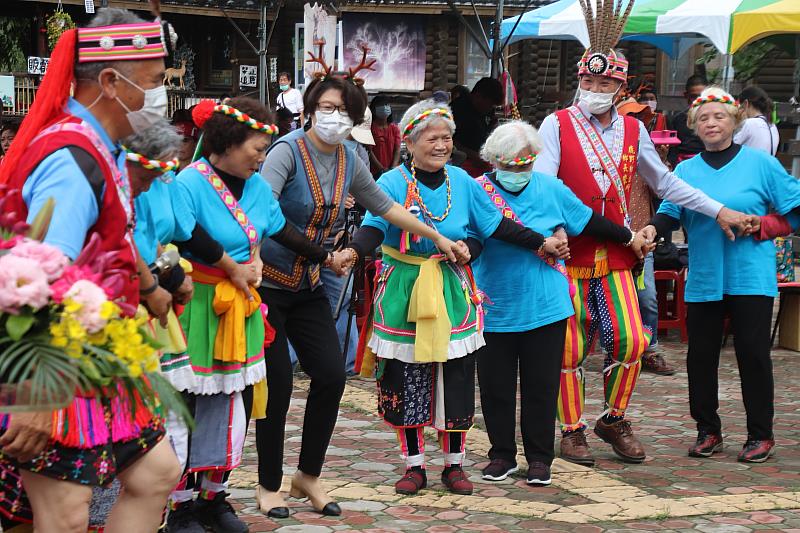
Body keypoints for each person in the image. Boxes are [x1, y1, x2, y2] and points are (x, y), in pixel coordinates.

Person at [534, 3, 752, 467]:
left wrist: (718, 210)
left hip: (617, 251)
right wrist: (552, 232)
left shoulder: (633, 128)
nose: (594, 90)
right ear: (579, 80)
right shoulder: (557, 123)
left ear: (620, 87)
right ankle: (571, 431)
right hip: (567, 252)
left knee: (633, 339)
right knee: (569, 346)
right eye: (588, 82)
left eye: (605, 83)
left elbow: (667, 183)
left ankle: (613, 419)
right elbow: (544, 184)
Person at [256, 59, 466, 519]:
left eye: (343, 111)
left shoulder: (351, 157)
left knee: (331, 375)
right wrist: (321, 254)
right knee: (276, 385)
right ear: (310, 108)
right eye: (327, 107)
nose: (334, 117)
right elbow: (264, 213)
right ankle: (268, 483)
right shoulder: (286, 152)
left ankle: (307, 475)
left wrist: (435, 236)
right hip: (267, 284)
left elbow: (387, 208)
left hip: (310, 285)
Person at [0, 8, 182, 532]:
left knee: (156, 474)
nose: (158, 97)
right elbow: (34, 276)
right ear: (110, 81)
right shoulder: (70, 158)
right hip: (51, 360)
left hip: (93, 350)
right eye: (152, 83)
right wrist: (37, 399)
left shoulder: (101, 149)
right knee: (65, 514)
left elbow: (106, 247)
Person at [344, 101, 557, 497]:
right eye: (432, 138)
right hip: (404, 290)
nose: (441, 145)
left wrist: (533, 243)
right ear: (409, 141)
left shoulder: (463, 181)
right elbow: (374, 227)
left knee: (456, 378)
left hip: (451, 287)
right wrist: (353, 253)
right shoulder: (390, 183)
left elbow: (490, 227)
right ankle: (414, 465)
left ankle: (454, 465)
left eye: (446, 137)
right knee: (407, 378)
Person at [164, 96, 346, 533]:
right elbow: (192, 234)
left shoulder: (257, 186)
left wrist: (300, 256)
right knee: (192, 402)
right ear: (227, 141)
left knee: (232, 405)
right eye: (257, 149)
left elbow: (269, 226)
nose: (262, 157)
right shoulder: (190, 182)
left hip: (241, 306)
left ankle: (214, 497)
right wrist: (235, 267)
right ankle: (181, 505)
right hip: (201, 305)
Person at [474, 121, 651, 486]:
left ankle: (540, 458)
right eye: (509, 166)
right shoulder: (478, 191)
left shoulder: (551, 188)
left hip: (547, 306)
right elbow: (475, 233)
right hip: (494, 305)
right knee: (495, 388)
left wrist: (629, 237)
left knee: (541, 386)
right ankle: (501, 455)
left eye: (524, 165)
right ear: (493, 161)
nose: (517, 173)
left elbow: (589, 221)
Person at [644, 86, 800, 463]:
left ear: (735, 121)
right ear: (694, 126)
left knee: (753, 355)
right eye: (704, 118)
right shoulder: (685, 170)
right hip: (704, 277)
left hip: (750, 276)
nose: (712, 123)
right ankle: (707, 430)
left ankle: (760, 435)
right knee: (700, 357)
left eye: (720, 116)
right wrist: (652, 228)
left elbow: (794, 213)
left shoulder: (761, 164)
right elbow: (670, 211)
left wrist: (760, 225)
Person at [615, 98, 675, 376]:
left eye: (642, 119)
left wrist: (662, 159)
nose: (639, 124)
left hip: (643, 238)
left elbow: (665, 194)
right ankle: (615, 349)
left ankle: (650, 349)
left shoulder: (648, 158)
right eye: (633, 118)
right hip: (612, 238)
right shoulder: (607, 155)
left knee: (646, 296)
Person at [451, 77, 503, 177]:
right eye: (490, 104)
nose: (491, 108)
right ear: (478, 96)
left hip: (481, 162)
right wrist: (473, 155)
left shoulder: (487, 111)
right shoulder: (458, 109)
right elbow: (451, 139)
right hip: (460, 164)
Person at [668, 74, 708, 166]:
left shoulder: (716, 121)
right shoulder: (677, 119)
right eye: (694, 96)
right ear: (686, 96)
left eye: (701, 96)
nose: (698, 100)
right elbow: (673, 149)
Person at [735, 86, 780, 156]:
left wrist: (737, 122)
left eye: (741, 107)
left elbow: (729, 147)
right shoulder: (773, 125)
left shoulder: (750, 123)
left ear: (746, 103)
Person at [369, 94, 401, 178]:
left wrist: (393, 168)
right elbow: (369, 151)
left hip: (390, 171)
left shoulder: (394, 128)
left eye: (387, 105)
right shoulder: (369, 128)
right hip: (373, 172)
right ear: (373, 109)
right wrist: (382, 169)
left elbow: (397, 150)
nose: (384, 107)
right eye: (380, 105)